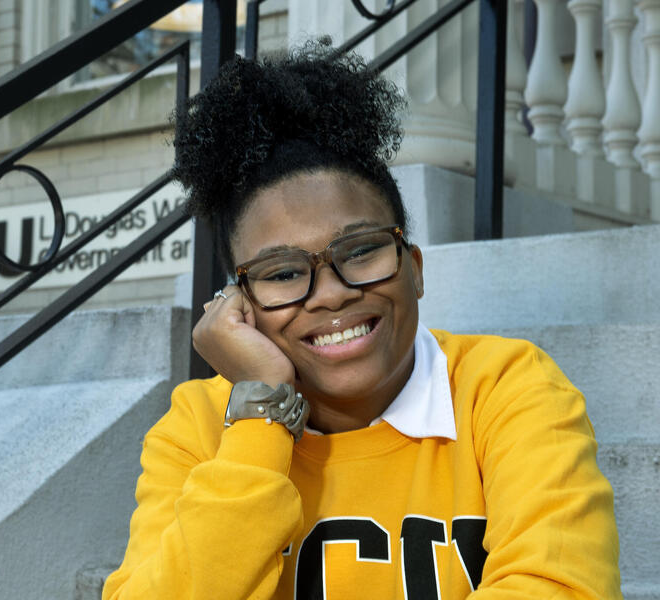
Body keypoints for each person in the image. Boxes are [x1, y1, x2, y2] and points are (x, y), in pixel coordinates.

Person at [102, 43, 622, 599]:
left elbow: (561, 587)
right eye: (283, 273)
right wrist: (261, 413)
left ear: (413, 268)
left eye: (361, 251)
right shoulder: (203, 425)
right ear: (240, 305)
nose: (330, 295)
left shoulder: (504, 387)